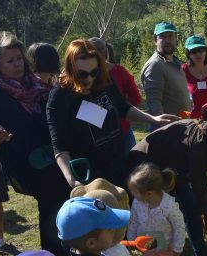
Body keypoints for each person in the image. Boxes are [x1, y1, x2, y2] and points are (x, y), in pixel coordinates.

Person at [0, 31, 70, 256]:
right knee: (50, 204)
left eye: (19, 58)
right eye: (10, 60)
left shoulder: (37, 85)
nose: (17, 64)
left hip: (52, 156)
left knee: (64, 200)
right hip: (25, 164)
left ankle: (68, 252)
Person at [46, 39, 177, 189]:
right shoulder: (59, 96)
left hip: (118, 160)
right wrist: (72, 179)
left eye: (94, 72)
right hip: (90, 173)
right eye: (82, 74)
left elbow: (123, 108)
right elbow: (59, 146)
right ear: (71, 68)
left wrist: (154, 119)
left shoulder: (104, 80)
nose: (89, 79)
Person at [126, 114, 207, 256]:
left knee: (191, 208)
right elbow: (201, 193)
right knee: (163, 212)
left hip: (175, 166)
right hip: (146, 164)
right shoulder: (199, 147)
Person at [127, 163, 200, 256]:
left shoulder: (169, 206)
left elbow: (179, 226)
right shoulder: (137, 202)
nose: (132, 194)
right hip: (148, 243)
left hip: (168, 245)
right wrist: (131, 238)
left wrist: (178, 246)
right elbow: (134, 219)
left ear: (149, 193)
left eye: (134, 191)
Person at [89, 37, 142, 153]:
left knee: (132, 167)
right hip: (97, 135)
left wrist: (120, 111)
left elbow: (136, 98)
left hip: (123, 131)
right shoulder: (85, 76)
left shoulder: (119, 72)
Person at [141, 22, 190, 130]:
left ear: (176, 38)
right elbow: (154, 103)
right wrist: (164, 130)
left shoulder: (175, 62)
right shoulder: (155, 65)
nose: (168, 40)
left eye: (171, 36)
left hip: (182, 126)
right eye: (163, 36)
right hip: (167, 130)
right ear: (155, 40)